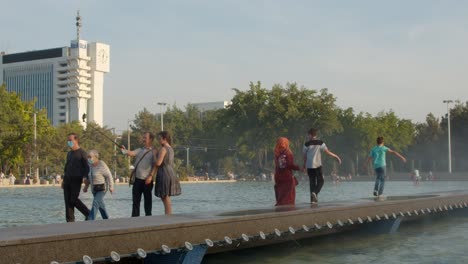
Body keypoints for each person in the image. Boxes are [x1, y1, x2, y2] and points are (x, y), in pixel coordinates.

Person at [121, 132, 156, 217]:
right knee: (135, 202)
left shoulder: (154, 151)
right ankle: (134, 220)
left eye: (145, 138)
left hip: (147, 181)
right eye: (143, 137)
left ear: (150, 139)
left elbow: (155, 165)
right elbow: (130, 153)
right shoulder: (140, 150)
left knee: (148, 202)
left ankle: (148, 218)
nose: (143, 139)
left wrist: (151, 176)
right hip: (137, 180)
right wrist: (124, 150)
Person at [303, 128, 342, 204]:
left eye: (308, 135)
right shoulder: (320, 143)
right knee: (321, 181)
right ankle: (315, 192)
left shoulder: (306, 144)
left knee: (312, 182)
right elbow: (328, 152)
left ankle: (312, 200)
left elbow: (304, 157)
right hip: (317, 165)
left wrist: (304, 166)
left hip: (309, 166)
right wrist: (336, 156)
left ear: (310, 135)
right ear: (315, 135)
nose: (308, 136)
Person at [151, 131, 181, 215]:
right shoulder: (170, 148)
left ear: (165, 139)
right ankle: (168, 214)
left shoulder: (163, 149)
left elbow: (158, 163)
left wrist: (154, 155)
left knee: (164, 196)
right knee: (166, 196)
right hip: (171, 172)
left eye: (160, 139)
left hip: (164, 173)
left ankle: (168, 215)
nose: (158, 140)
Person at [62, 133, 90, 222]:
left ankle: (88, 213)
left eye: (70, 140)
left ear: (76, 140)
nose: (69, 142)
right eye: (68, 140)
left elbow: (87, 167)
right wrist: (63, 180)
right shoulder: (69, 153)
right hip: (67, 179)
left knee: (73, 199)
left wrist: (85, 178)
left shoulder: (82, 153)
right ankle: (70, 221)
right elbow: (66, 167)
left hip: (76, 179)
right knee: (67, 201)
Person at [83, 150, 114, 220]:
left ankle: (90, 220)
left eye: (90, 157)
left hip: (102, 188)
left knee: (95, 203)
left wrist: (111, 187)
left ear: (96, 157)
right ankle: (106, 219)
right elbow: (89, 177)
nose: (88, 158)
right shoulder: (89, 165)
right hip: (94, 189)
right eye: (88, 157)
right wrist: (86, 187)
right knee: (100, 205)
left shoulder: (102, 164)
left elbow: (109, 175)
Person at [274, 137, 300, 206]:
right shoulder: (288, 153)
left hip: (278, 176)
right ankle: (287, 211)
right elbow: (289, 165)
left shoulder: (277, 153)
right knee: (289, 195)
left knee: (281, 193)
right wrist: (299, 168)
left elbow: (277, 165)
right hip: (287, 176)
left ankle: (280, 207)